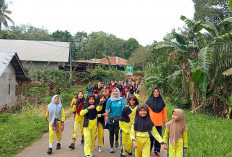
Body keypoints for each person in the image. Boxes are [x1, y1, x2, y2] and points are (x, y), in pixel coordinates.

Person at [146, 88, 168, 157]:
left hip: (159, 123)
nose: (156, 93)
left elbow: (164, 112)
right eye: (155, 91)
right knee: (150, 137)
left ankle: (156, 150)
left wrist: (166, 121)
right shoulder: (148, 102)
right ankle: (148, 149)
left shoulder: (161, 102)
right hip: (150, 123)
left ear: (159, 93)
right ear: (153, 93)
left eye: (157, 91)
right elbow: (145, 112)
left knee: (158, 138)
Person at [104, 88, 126, 153]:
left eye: (116, 91)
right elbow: (107, 108)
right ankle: (112, 147)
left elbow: (123, 109)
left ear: (118, 92)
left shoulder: (121, 100)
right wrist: (106, 116)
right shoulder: (110, 100)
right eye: (113, 91)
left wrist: (123, 117)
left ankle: (116, 139)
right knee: (111, 133)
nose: (115, 93)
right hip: (111, 119)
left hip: (119, 119)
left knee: (117, 132)